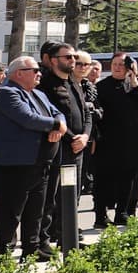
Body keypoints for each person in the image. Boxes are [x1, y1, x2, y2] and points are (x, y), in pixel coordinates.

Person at [0, 56, 66, 259]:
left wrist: (58, 123)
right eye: (34, 70)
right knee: (10, 211)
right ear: (19, 73)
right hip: (14, 164)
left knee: (35, 210)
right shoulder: (7, 94)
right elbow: (27, 119)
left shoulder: (39, 94)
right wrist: (56, 126)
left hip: (39, 162)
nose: (39, 73)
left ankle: (32, 250)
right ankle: (4, 252)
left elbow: (58, 113)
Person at [35, 43, 91, 247]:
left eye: (74, 57)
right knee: (52, 197)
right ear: (52, 60)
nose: (72, 60)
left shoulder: (74, 82)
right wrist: (72, 138)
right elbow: (51, 117)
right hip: (59, 149)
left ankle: (68, 238)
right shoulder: (46, 85)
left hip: (78, 150)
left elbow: (86, 115)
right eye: (68, 57)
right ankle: (44, 240)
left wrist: (84, 136)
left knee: (72, 196)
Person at [92, 52, 138, 228]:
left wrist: (133, 82)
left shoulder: (134, 85)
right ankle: (100, 215)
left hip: (131, 142)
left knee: (128, 179)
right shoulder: (102, 86)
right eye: (115, 64)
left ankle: (122, 212)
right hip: (107, 141)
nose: (117, 67)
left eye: (122, 64)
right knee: (103, 180)